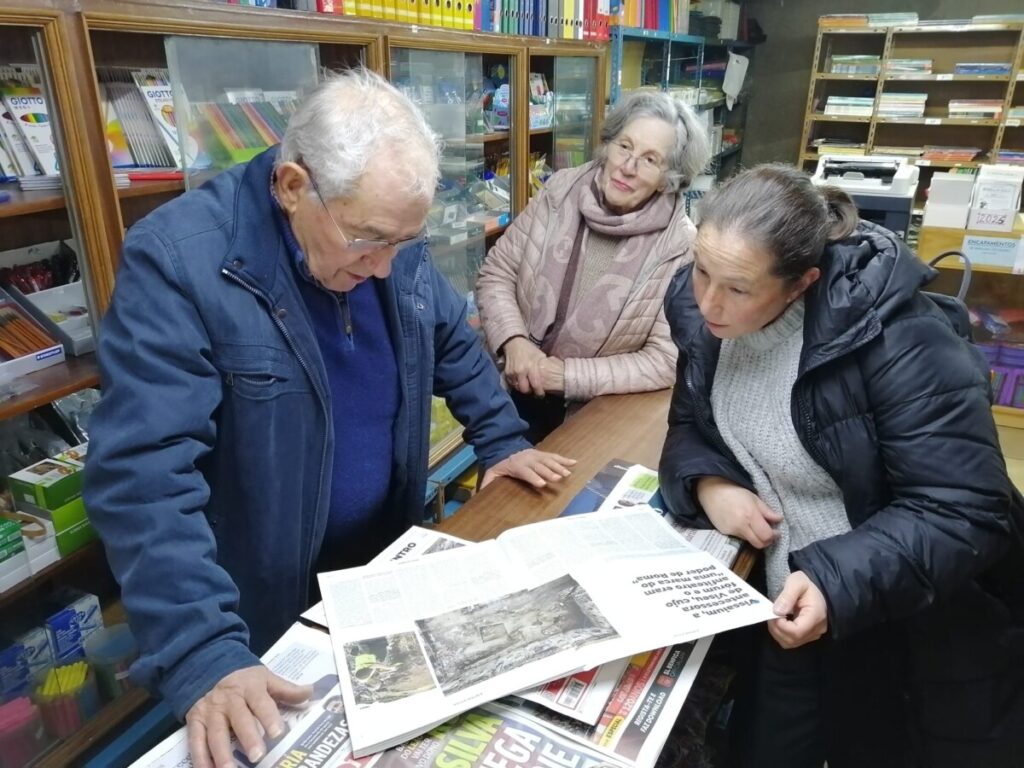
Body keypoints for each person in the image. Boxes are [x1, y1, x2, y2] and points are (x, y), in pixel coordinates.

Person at [82, 69, 575, 768]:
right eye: (367, 241)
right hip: (257, 602)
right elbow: (144, 478)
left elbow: (447, 335)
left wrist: (499, 436)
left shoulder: (385, 233)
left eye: (401, 243)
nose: (383, 268)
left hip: (379, 570)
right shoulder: (179, 260)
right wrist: (202, 652)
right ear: (292, 187)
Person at [658, 163, 1024, 767]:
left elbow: (965, 509)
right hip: (775, 605)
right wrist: (710, 481)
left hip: (891, 621)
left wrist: (836, 580)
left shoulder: (902, 344)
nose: (708, 302)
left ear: (801, 284)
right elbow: (689, 423)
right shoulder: (699, 312)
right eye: (701, 271)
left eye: (738, 288)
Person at [476, 90, 711, 442]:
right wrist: (514, 341)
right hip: (509, 390)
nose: (628, 167)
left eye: (650, 159)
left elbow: (664, 360)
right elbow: (497, 273)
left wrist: (566, 377)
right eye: (625, 146)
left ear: (670, 177)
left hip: (593, 420)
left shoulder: (680, 246)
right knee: (499, 494)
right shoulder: (559, 191)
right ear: (608, 144)